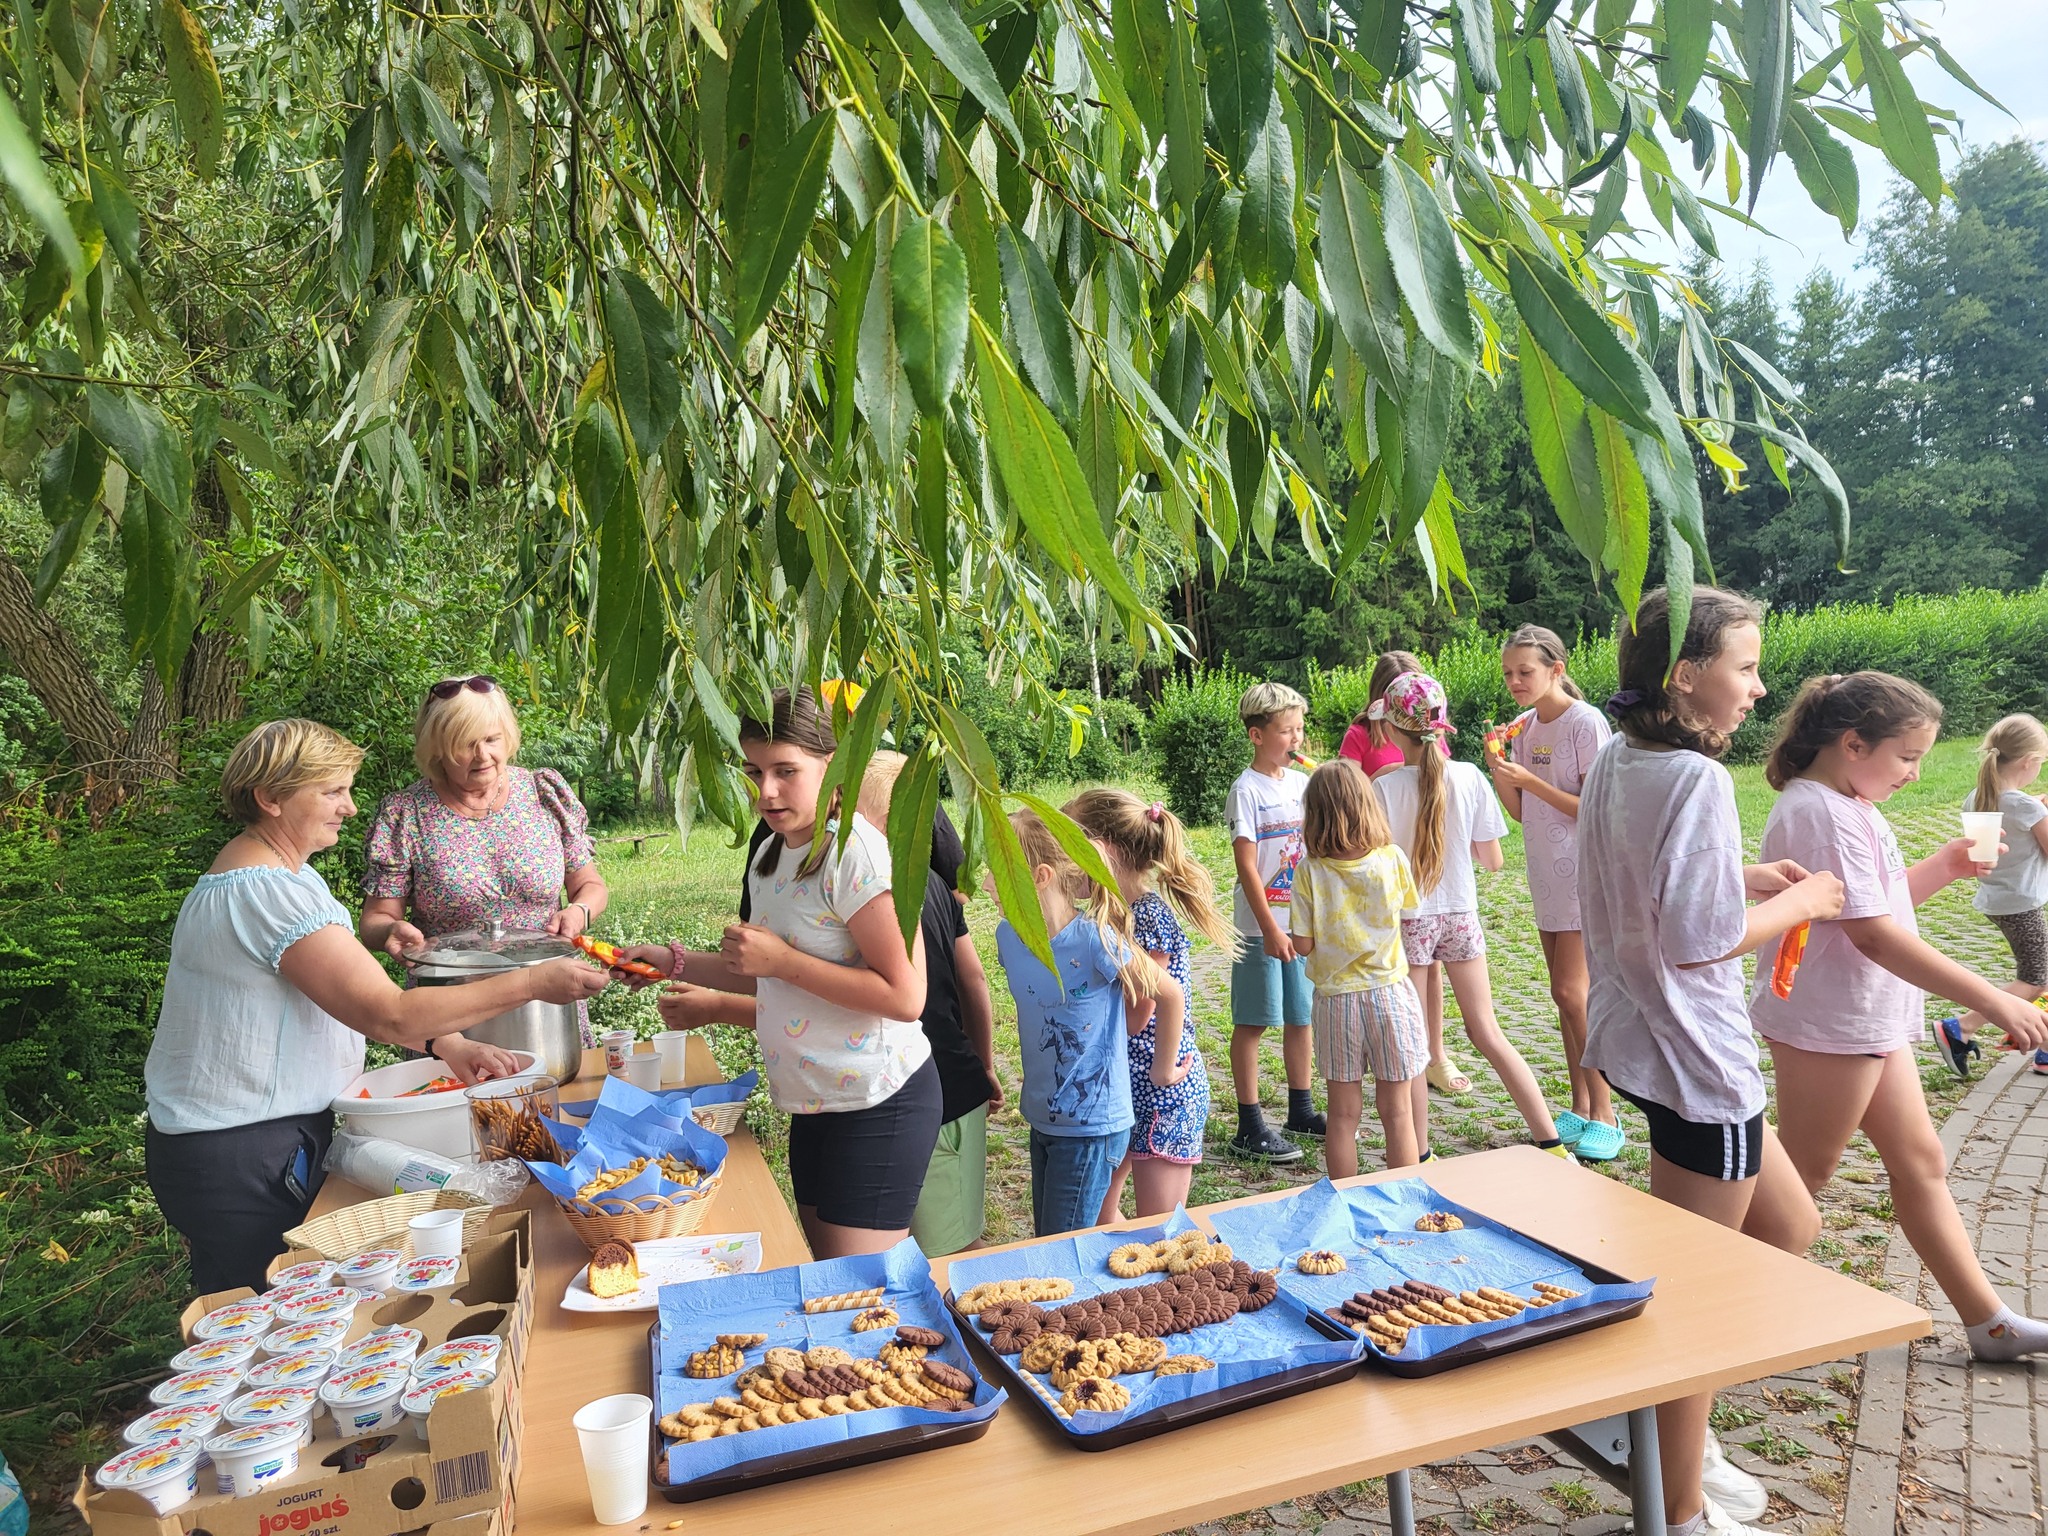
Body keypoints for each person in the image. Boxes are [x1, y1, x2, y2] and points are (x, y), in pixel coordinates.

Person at [145, 719, 606, 1292]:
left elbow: (339, 1002)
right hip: (243, 1152)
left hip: (237, 1145)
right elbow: (388, 1013)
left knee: (257, 1304)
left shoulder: (279, 878)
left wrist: (448, 1045)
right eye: (332, 791)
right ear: (270, 798)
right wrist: (533, 981)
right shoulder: (265, 893)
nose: (350, 807)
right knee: (279, 1310)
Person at [1578, 587, 1845, 1536]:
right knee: (1698, 1304)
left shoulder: (1622, 756)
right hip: (1698, 1063)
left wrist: (1746, 877)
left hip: (1643, 1044)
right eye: (1746, 667)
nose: (1758, 688)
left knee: (1790, 1225)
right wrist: (1803, 900)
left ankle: (1661, 1425)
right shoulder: (1695, 778)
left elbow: (1650, 885)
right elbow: (1699, 939)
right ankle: (1676, 1507)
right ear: (1687, 676)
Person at [1744, 673, 2048, 1360]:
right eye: (1907, 757)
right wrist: (1992, 997)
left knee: (1921, 1162)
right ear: (1854, 744)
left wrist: (1945, 865)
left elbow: (1872, 903)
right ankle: (1716, 1317)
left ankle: (1989, 1324)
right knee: (1799, 1182)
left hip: (1869, 1020)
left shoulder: (1851, 801)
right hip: (1833, 1024)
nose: (1914, 774)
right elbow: (1874, 936)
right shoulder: (1818, 811)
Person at [619, 688, 938, 1259]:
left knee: (862, 1289)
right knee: (830, 1273)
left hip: (877, 1100)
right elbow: (766, 973)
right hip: (815, 1102)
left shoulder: (854, 853)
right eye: (754, 771)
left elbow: (906, 996)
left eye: (785, 771)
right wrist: (672, 962)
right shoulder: (772, 851)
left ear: (834, 766)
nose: (766, 790)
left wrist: (783, 962)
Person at [1370, 670, 1567, 1155]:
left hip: (1409, 922)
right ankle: (1551, 1142)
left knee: (1416, 1048)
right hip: (1461, 915)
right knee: (1488, 1032)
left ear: (1391, 730)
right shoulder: (1470, 777)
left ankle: (1420, 1155)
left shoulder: (1383, 788)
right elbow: (1493, 860)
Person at [360, 675, 609, 1045]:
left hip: (548, 1002)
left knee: (560, 1080)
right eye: (465, 743)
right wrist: (390, 932)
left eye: (492, 739)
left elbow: (590, 885)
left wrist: (579, 912)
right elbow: (376, 920)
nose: (482, 755)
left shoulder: (543, 794)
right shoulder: (406, 814)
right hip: (453, 1014)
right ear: (437, 748)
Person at [993, 808, 1187, 1236]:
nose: (988, 883)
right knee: (1050, 1238)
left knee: (1059, 1248)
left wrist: (1162, 1069)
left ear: (1041, 876)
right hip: (1043, 1118)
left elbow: (1169, 993)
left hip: (1091, 1128)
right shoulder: (1008, 936)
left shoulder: (1096, 938)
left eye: (998, 870)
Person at [1488, 625, 1622, 1162]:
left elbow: (1598, 809)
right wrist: (1500, 768)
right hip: (1546, 874)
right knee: (1563, 995)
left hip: (1585, 872)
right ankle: (1581, 1105)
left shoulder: (1585, 722)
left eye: (1525, 671)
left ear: (1556, 670)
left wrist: (1531, 779)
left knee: (1572, 992)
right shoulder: (1524, 727)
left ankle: (1607, 1111)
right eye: (1508, 673)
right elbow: (1523, 812)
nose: (1515, 682)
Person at [1065, 788, 1232, 1220]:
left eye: (1068, 850)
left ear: (1100, 850)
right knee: (1100, 1214)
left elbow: (1138, 1015)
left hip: (1163, 1094)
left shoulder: (1146, 916)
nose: (1064, 865)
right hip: (1128, 1091)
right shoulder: (1113, 913)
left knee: (1159, 1231)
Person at [862, 752, 1000, 1255]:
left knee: (952, 1250)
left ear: (886, 823)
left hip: (941, 1094)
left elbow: (972, 979)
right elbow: (974, 978)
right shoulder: (934, 883)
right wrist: (985, 1063)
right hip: (933, 1088)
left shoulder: (889, 895)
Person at [1289, 761, 1428, 1175]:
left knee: (1342, 1115)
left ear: (1315, 814)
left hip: (1336, 1002)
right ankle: (1402, 1196)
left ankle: (1343, 1200)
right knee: (1398, 1112)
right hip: (1391, 995)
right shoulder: (1392, 859)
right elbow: (1409, 916)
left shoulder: (1309, 871)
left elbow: (1302, 945)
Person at [1342, 650, 1464, 1094]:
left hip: (1431, 868)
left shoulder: (1431, 732)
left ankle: (1436, 1054)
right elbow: (1347, 790)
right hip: (1387, 866)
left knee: (1431, 967)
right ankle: (1400, 1061)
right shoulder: (1360, 733)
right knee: (1398, 972)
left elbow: (1438, 777)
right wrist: (1392, 775)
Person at [1224, 681, 1321, 1163]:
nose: (1296, 739)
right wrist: (1268, 928)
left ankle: (1301, 1110)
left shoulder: (1301, 785)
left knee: (1300, 1017)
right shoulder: (1246, 791)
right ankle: (1249, 1124)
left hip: (1298, 923)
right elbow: (1246, 865)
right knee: (1254, 1020)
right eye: (1286, 731)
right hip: (1259, 928)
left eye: (1299, 729)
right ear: (1257, 735)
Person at [1942, 713, 2048, 1076]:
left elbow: (2013, 815)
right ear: (2029, 762)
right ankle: (1961, 1027)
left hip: (1998, 900)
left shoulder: (1978, 797)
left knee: (2039, 974)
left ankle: (2042, 1047)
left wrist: (2035, 808)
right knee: (2033, 980)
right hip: (2022, 904)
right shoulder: (2027, 807)